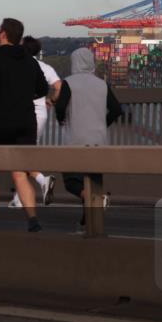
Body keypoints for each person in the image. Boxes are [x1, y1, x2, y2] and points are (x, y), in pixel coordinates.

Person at [0, 18, 48, 232]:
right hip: (26, 122)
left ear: (3, 34)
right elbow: (43, 89)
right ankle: (33, 220)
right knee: (19, 172)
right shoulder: (30, 61)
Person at [54, 47, 123, 229]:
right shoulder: (102, 84)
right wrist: (103, 123)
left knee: (71, 180)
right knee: (93, 180)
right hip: (98, 139)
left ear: (74, 62)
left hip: (76, 139)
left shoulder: (69, 83)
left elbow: (60, 107)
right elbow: (117, 110)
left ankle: (95, 201)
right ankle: (89, 222)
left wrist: (61, 120)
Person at [8, 36, 59, 208]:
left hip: (24, 114)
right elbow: (59, 86)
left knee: (18, 154)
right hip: (41, 114)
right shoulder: (45, 67)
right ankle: (19, 198)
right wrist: (51, 100)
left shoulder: (19, 66)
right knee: (25, 153)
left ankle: (42, 180)